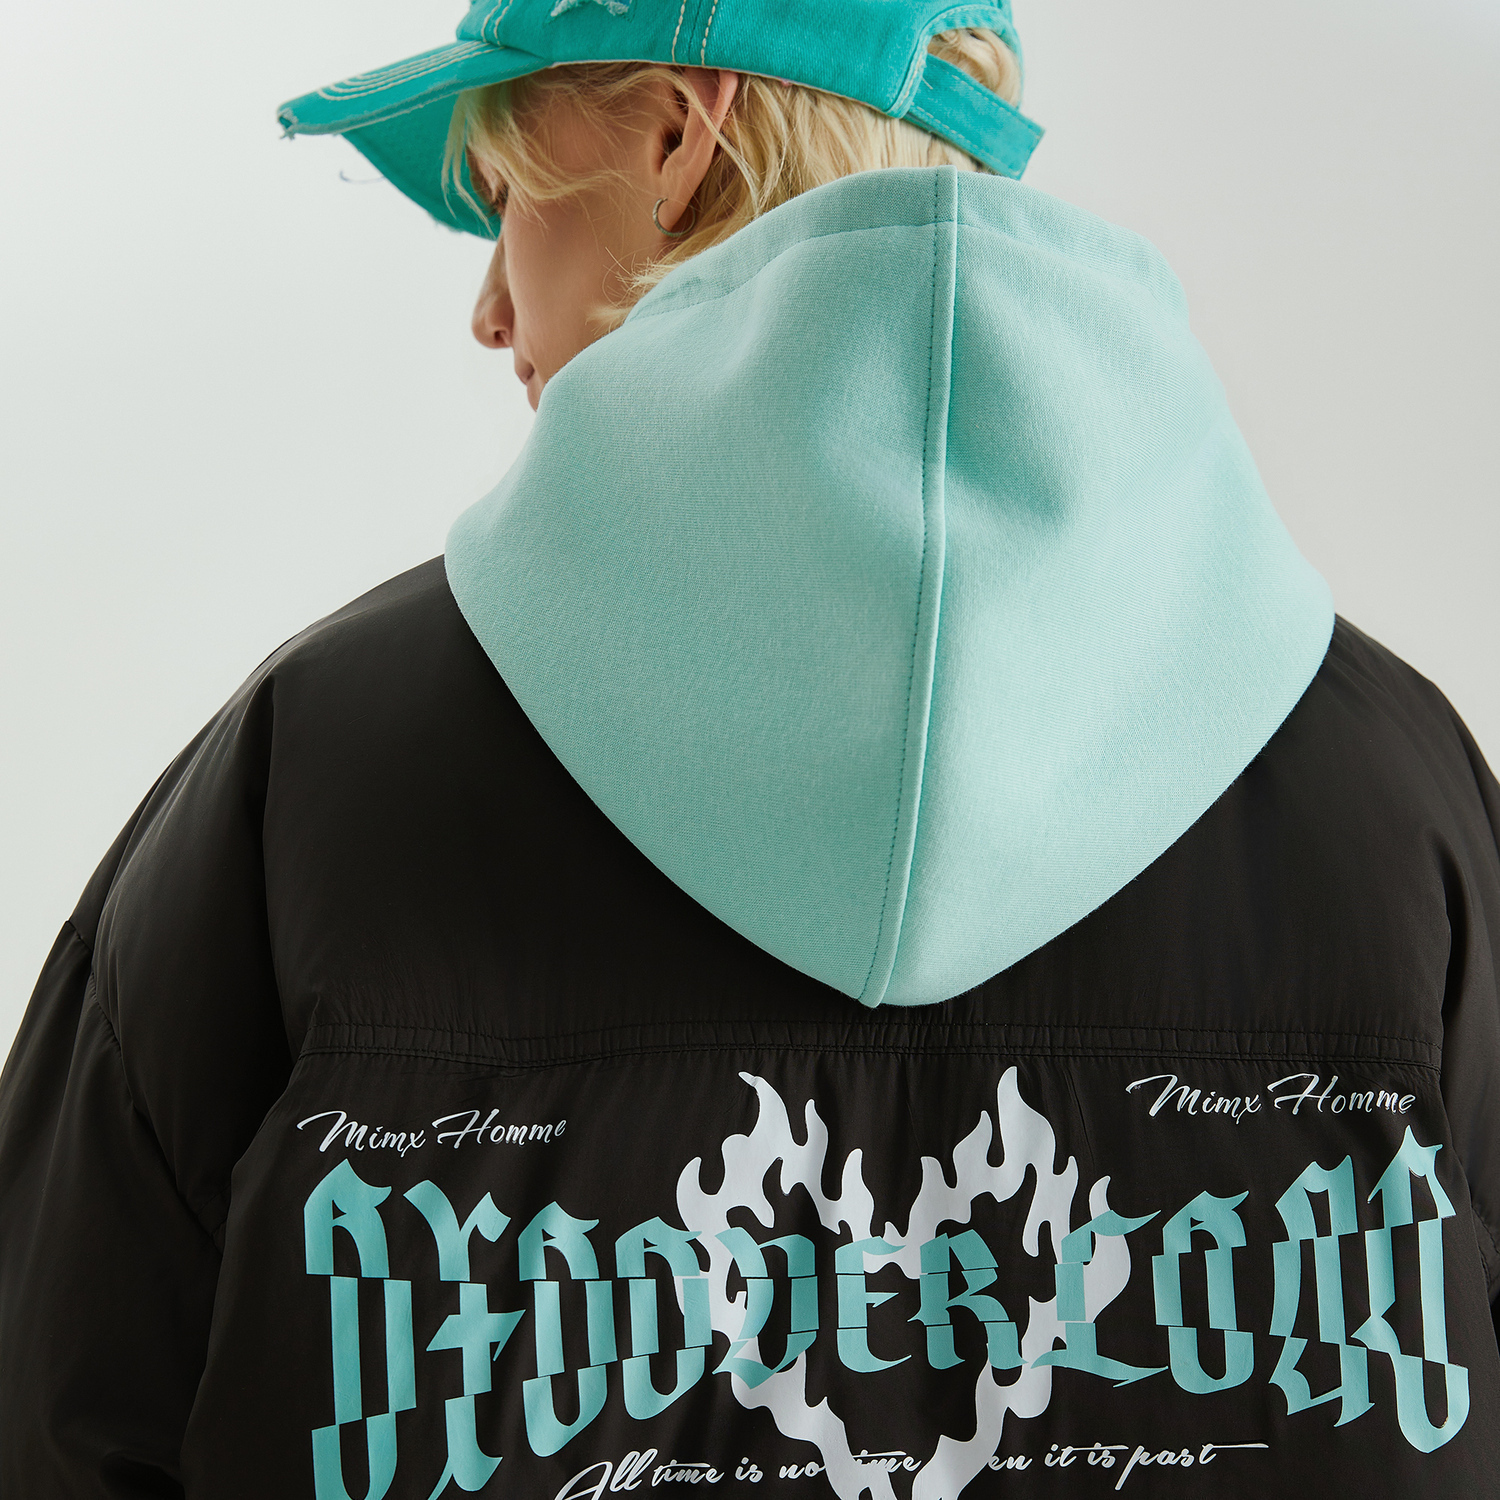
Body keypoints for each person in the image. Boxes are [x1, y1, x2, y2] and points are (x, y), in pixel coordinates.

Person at [1, 0, 1497, 1494]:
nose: (490, 311)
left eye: (504, 195)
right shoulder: (1402, 805)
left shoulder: (310, 781)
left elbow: (61, 1411)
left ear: (676, 132)